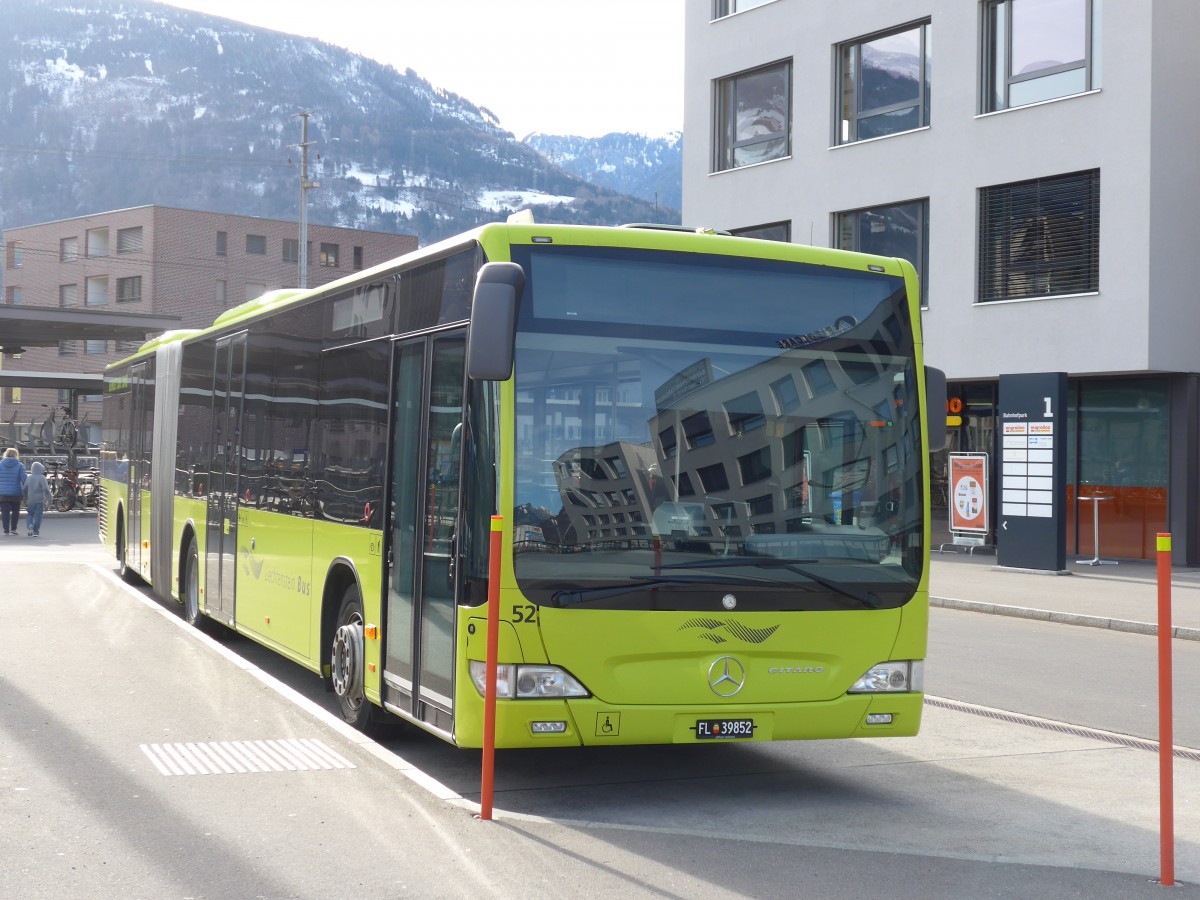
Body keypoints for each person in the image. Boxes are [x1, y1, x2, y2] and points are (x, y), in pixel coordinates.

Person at [0, 447, 27, 535]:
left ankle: (6, 529)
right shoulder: (20, 465)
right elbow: (24, 479)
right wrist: (26, 491)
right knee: (16, 511)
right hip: (16, 492)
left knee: (5, 512)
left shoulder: (0, 464)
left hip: (3, 492)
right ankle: (13, 529)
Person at [23, 460, 51, 537]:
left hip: (31, 500)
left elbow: (24, 489)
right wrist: (49, 499)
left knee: (30, 514)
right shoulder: (42, 478)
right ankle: (36, 531)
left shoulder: (29, 477)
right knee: (38, 515)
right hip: (40, 500)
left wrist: (25, 499)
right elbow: (46, 489)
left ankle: (30, 525)